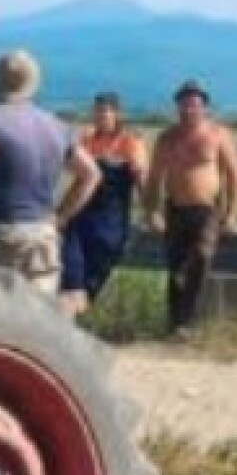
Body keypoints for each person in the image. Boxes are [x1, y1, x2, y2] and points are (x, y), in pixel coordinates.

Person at [0, 49, 101, 295]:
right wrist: (60, 217)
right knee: (36, 312)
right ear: (32, 85)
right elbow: (91, 173)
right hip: (42, 235)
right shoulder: (57, 126)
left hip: (0, 232)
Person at [144, 79, 237, 338]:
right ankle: (176, 324)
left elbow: (234, 176)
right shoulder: (167, 138)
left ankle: (187, 320)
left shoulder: (218, 135)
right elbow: (154, 178)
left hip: (207, 209)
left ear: (204, 107)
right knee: (175, 267)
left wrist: (232, 213)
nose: (189, 109)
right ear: (177, 107)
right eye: (184, 104)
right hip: (175, 209)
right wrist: (152, 212)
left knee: (201, 255)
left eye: (194, 104)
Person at [61, 91, 149, 317]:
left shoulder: (130, 141)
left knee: (93, 277)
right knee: (71, 273)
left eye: (104, 112)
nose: (99, 116)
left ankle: (77, 316)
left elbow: (140, 179)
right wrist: (61, 212)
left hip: (110, 218)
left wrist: (150, 212)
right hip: (81, 214)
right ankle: (68, 314)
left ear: (117, 114)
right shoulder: (87, 140)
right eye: (96, 111)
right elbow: (77, 180)